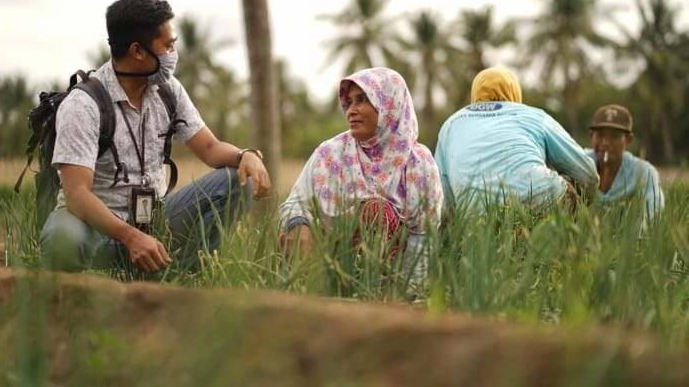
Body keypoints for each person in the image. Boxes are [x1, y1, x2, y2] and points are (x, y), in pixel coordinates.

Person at [39, 0, 271, 273]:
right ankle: (75, 300)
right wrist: (131, 237)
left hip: (155, 221)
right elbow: (77, 194)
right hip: (97, 229)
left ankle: (181, 277)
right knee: (62, 237)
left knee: (236, 179)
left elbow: (210, 148)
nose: (173, 54)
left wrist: (245, 155)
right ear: (138, 51)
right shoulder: (83, 104)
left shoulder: (168, 90)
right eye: (169, 45)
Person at [279, 67, 443, 282]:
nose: (351, 110)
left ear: (389, 104)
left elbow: (423, 239)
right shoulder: (331, 153)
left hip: (395, 277)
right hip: (330, 265)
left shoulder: (418, 162)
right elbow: (295, 203)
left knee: (377, 212)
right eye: (349, 103)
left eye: (362, 100)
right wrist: (298, 224)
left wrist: (410, 295)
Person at [435, 66, 599, 217]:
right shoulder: (534, 116)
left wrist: (453, 233)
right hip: (542, 197)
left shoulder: (451, 124)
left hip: (476, 218)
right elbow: (587, 174)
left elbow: (442, 194)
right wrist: (585, 203)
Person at [585, 104, 664, 220]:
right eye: (600, 135)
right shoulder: (578, 163)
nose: (606, 142)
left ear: (628, 140)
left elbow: (652, 213)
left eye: (614, 136)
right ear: (591, 136)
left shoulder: (643, 172)